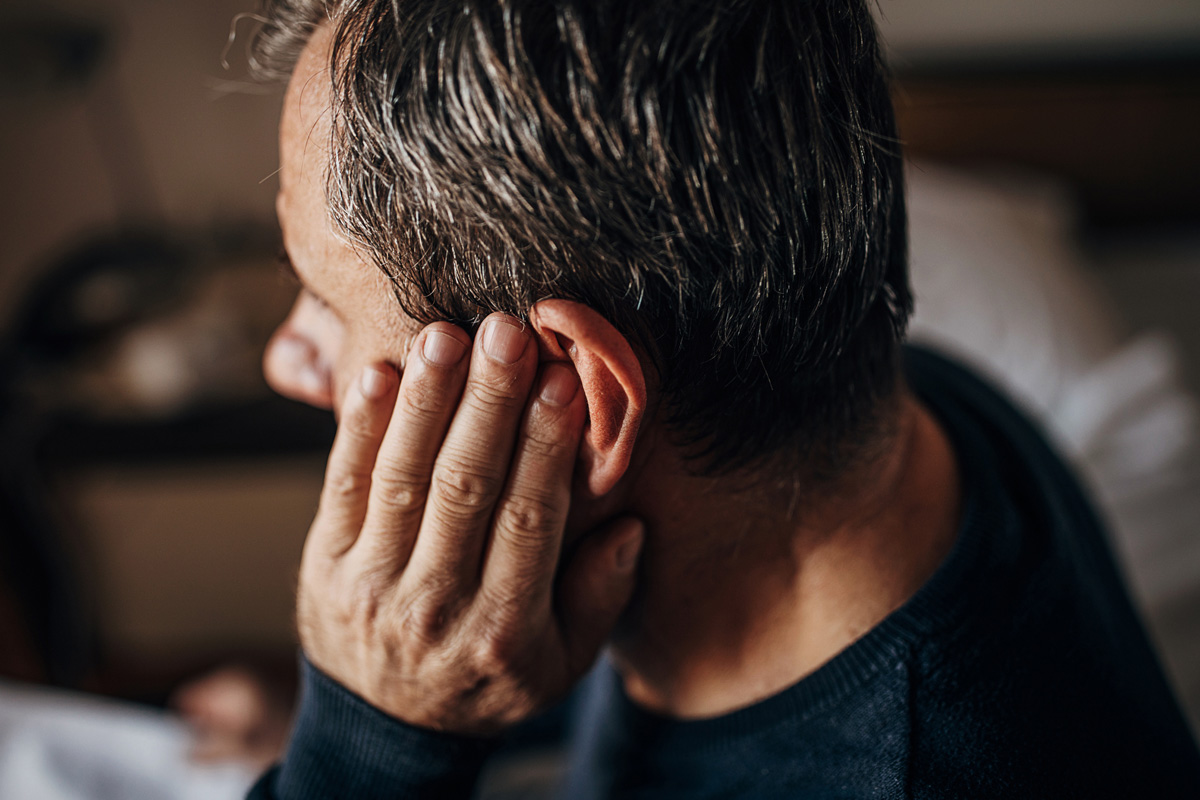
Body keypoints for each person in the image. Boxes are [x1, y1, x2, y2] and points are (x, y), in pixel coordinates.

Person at [245, 0, 1200, 797]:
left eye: (327, 302)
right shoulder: (913, 409)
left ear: (572, 394)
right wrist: (399, 694)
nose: (287, 359)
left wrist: (363, 754)